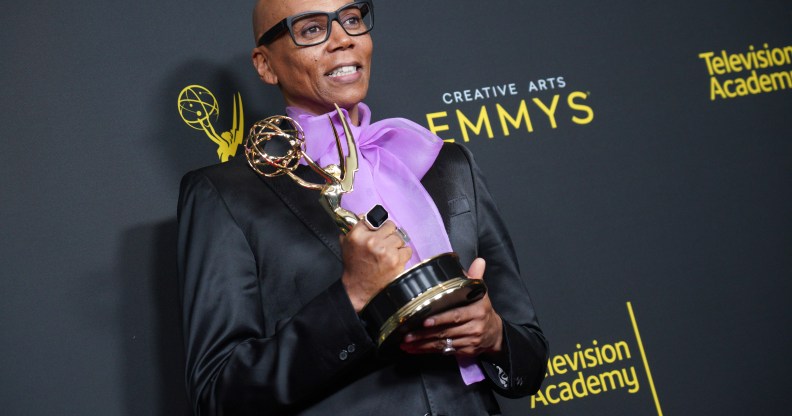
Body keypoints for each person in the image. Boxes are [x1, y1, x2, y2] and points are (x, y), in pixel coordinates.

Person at [177, 0, 548, 414]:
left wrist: (493, 335)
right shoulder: (225, 195)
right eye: (312, 29)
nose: (343, 39)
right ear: (266, 65)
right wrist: (350, 297)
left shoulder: (445, 163)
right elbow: (219, 396)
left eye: (352, 20)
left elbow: (529, 360)